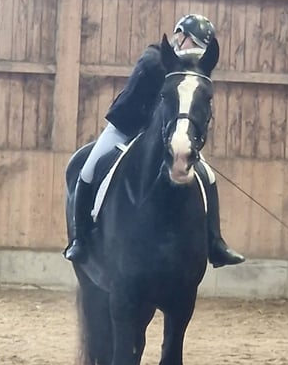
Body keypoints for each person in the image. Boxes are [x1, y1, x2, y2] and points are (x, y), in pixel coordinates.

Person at [64, 14, 245, 268]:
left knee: (207, 176)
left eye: (199, 48)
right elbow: (157, 69)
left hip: (163, 135)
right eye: (191, 43)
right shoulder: (155, 57)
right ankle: (80, 237)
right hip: (125, 127)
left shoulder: (189, 73)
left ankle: (215, 243)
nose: (194, 52)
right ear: (179, 36)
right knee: (88, 169)